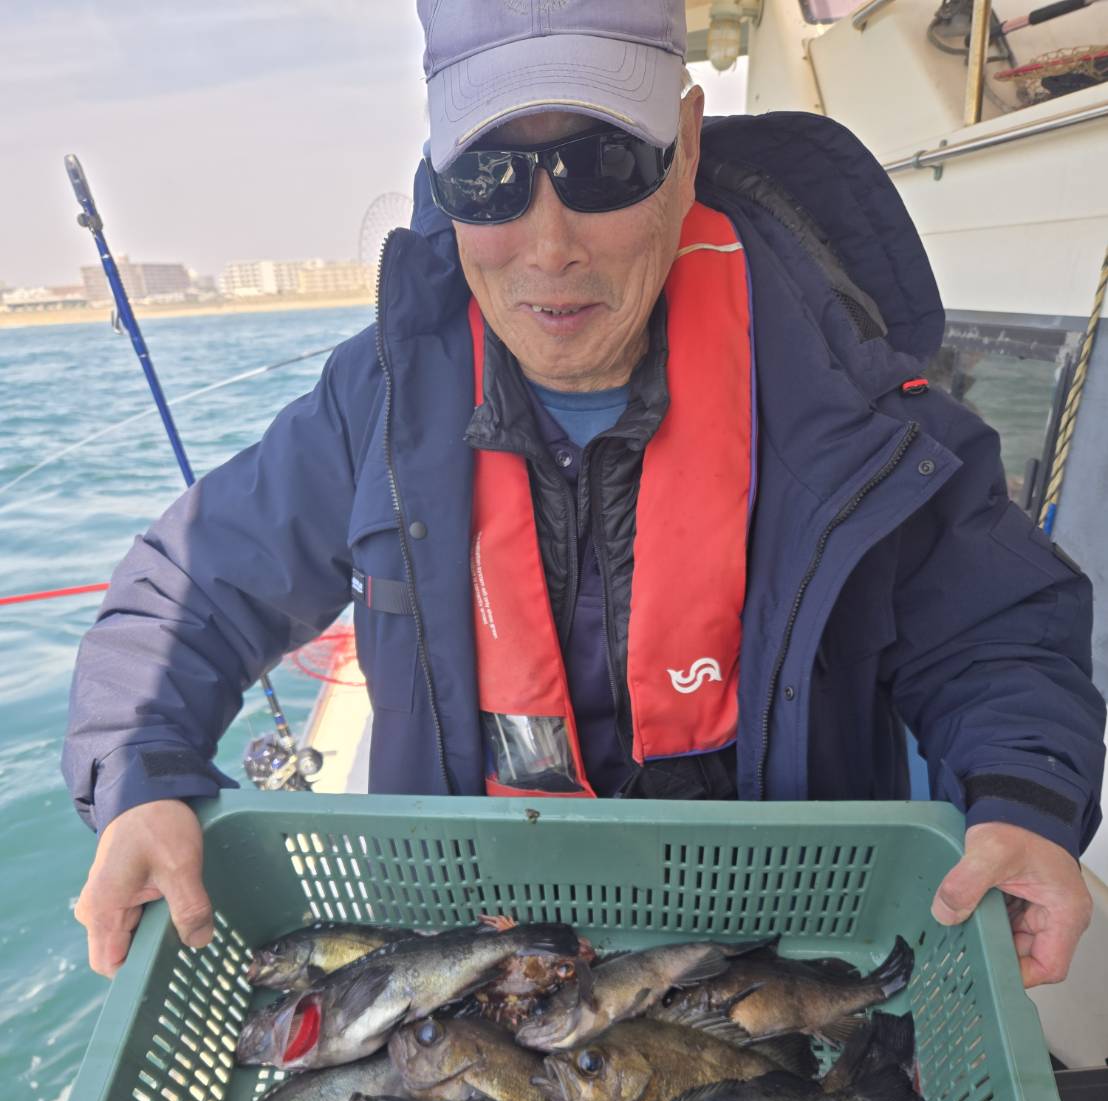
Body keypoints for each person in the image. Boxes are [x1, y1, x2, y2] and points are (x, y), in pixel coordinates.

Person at [64, 0, 1105, 988]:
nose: (549, 244)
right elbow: (184, 593)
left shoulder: (853, 403)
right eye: (490, 178)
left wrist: (1022, 800)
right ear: (441, 179)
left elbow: (995, 632)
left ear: (684, 147)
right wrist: (140, 776)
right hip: (471, 971)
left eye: (602, 165)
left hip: (784, 959)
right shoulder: (375, 398)